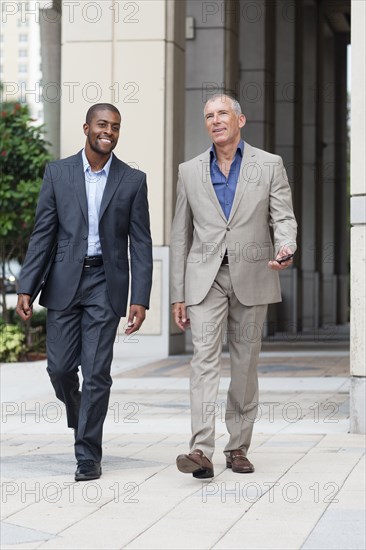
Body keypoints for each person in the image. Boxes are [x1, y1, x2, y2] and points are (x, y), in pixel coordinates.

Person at [16, 103, 153, 481]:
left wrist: (139, 298)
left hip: (105, 286)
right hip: (62, 283)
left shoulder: (132, 180)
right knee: (59, 369)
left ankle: (88, 454)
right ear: (86, 128)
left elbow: (140, 243)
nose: (108, 131)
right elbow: (43, 233)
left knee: (96, 372)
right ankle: (80, 414)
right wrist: (27, 285)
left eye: (115, 126)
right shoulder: (58, 173)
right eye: (102, 124)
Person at [170, 94, 297, 478]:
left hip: (253, 274)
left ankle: (238, 446)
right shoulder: (189, 171)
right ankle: (200, 449)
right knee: (202, 362)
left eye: (222, 113)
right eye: (209, 116)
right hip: (204, 280)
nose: (215, 120)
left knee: (245, 365)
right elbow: (180, 235)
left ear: (240, 119)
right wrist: (178, 292)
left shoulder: (269, 165)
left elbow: (283, 217)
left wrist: (285, 245)